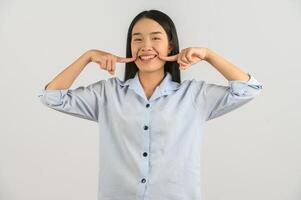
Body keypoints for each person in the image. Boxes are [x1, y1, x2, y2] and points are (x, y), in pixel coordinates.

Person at [38, 9, 263, 200]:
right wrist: (87, 57)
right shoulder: (108, 93)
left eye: (156, 38)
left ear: (170, 46)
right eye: (137, 39)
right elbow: (52, 97)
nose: (146, 46)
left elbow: (248, 89)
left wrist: (208, 55)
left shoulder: (193, 95)